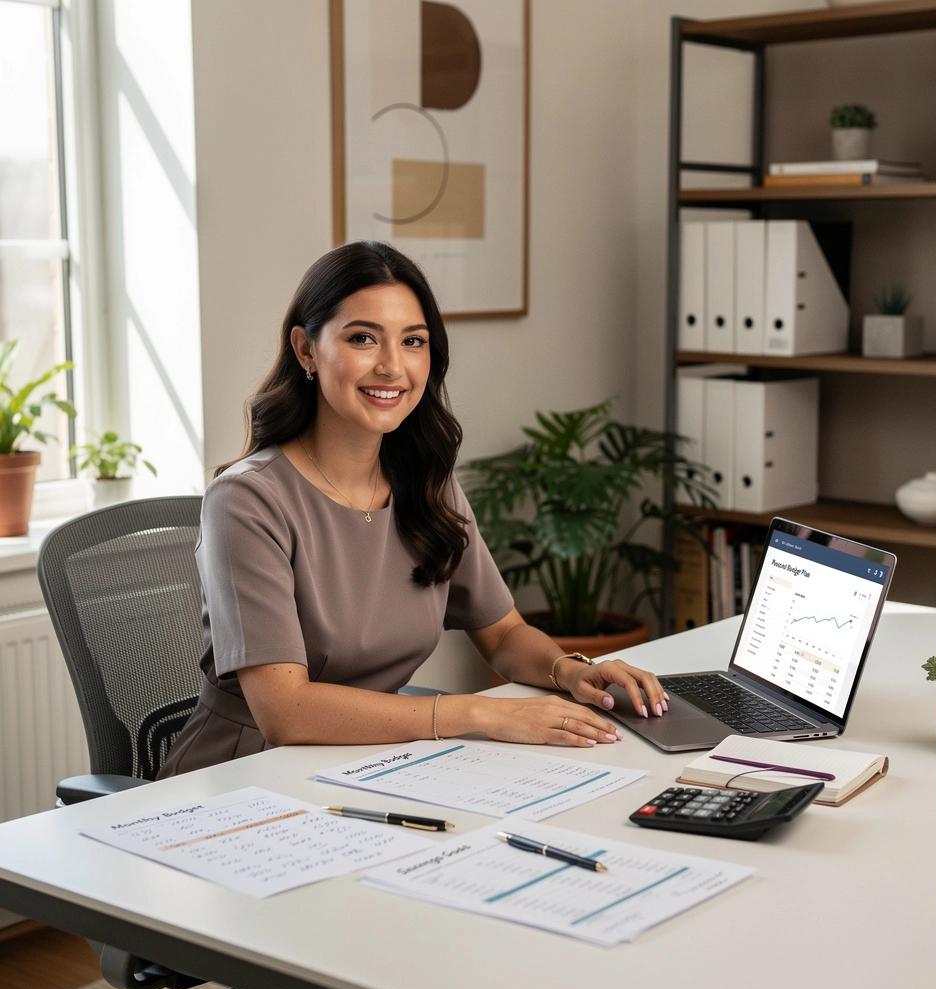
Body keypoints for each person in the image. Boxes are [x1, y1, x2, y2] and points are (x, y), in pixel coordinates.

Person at [159, 241, 667, 777]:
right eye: (362, 338)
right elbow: (286, 711)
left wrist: (570, 671)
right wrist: (479, 712)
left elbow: (503, 635)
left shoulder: (425, 481)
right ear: (306, 350)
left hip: (376, 764)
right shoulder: (247, 500)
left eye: (413, 341)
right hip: (245, 776)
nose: (392, 367)